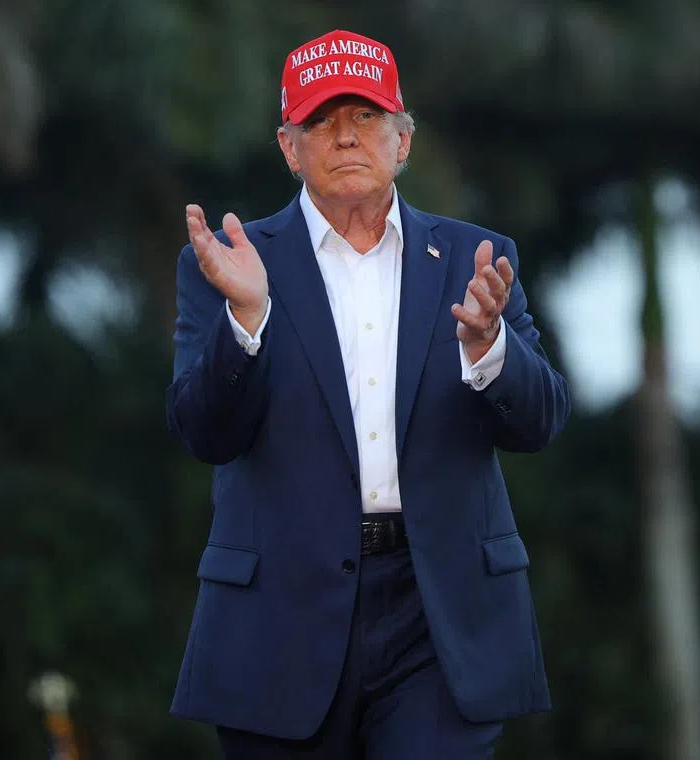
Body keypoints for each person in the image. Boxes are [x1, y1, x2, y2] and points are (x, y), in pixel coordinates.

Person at [166, 28, 570, 759]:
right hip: (279, 616)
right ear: (289, 148)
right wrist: (246, 322)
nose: (345, 137)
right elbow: (204, 434)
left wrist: (489, 350)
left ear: (403, 140)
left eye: (365, 117)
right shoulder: (230, 265)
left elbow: (540, 423)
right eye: (321, 120)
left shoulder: (479, 259)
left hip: (438, 613)